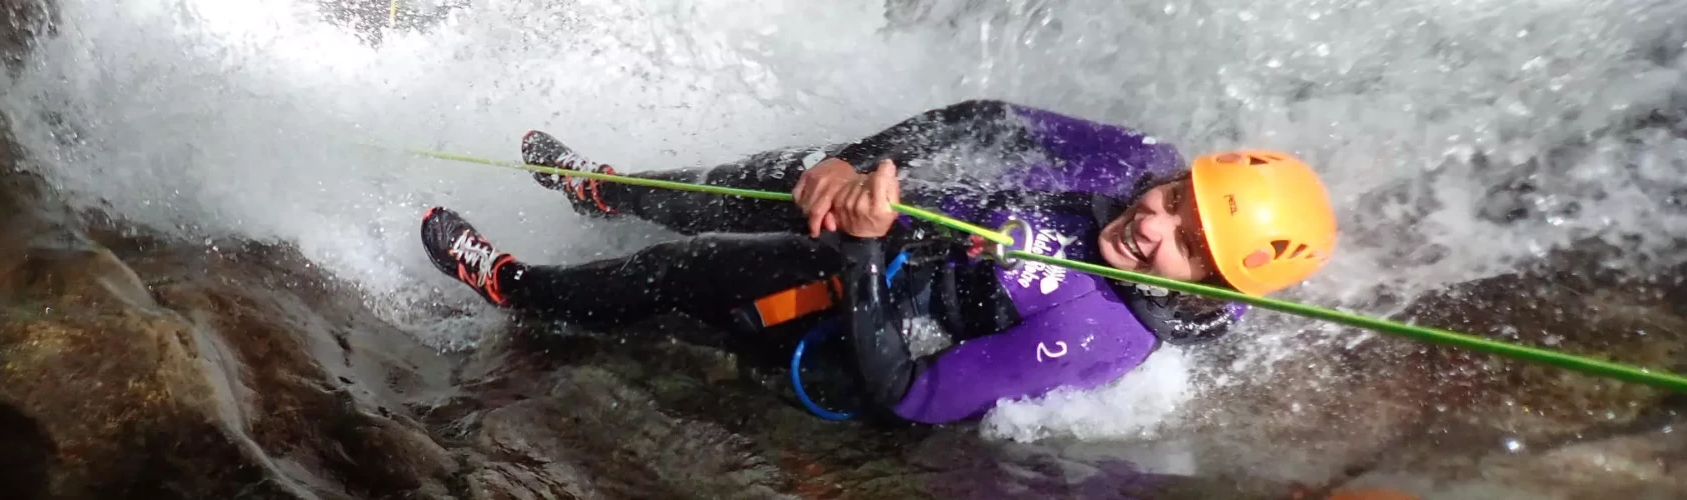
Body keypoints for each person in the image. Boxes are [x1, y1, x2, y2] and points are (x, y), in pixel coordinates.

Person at [416, 99, 1339, 424]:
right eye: (1173, 196)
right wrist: (858, 165)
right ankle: (606, 193)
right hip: (902, 234)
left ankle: (516, 288)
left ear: (1211, 283)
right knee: (787, 174)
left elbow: (911, 397)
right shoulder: (1128, 161)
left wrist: (859, 252)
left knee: (699, 267)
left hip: (864, 312)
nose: (1152, 221)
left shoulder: (1102, 337)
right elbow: (985, 117)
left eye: (1184, 240)